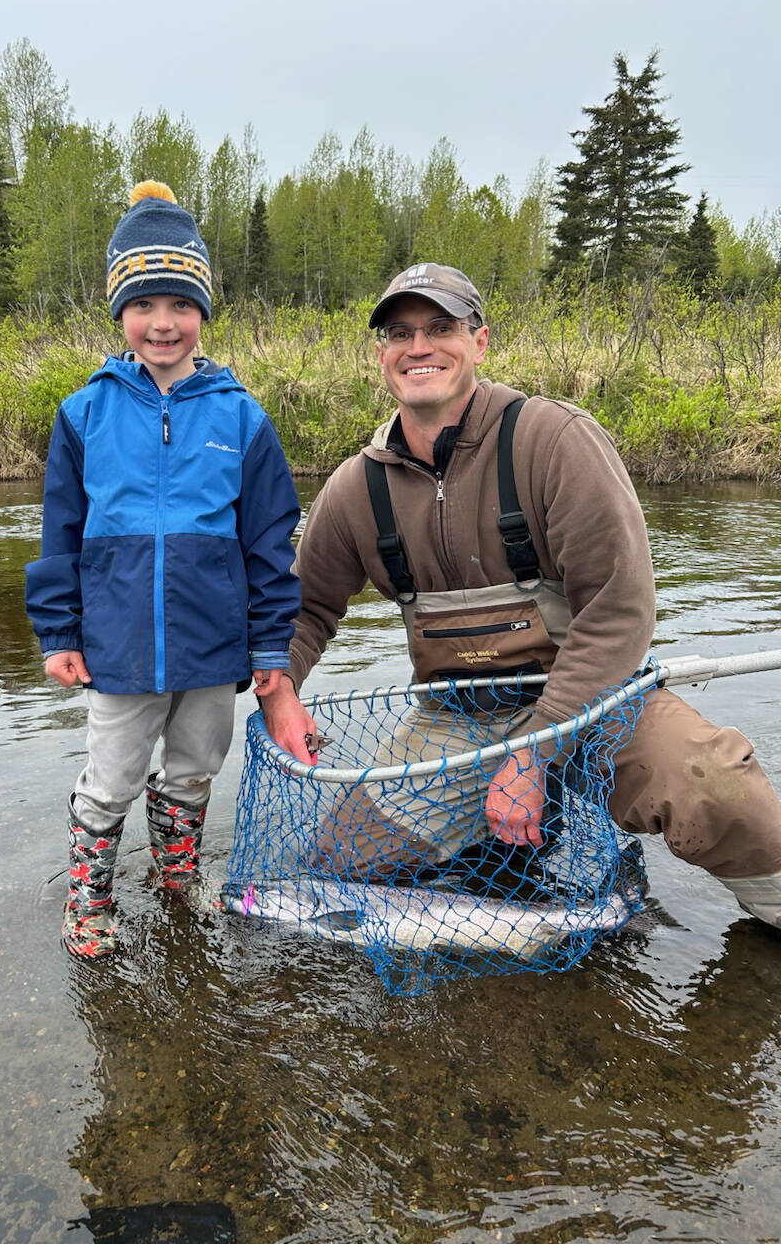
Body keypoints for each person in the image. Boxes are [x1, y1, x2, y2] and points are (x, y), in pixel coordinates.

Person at [262, 261, 781, 929]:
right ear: (381, 356)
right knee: (335, 873)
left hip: (599, 702)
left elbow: (618, 612)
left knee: (720, 793)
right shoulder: (354, 489)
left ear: (479, 342)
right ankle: (494, 851)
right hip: (459, 721)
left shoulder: (554, 440)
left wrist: (533, 750)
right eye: (400, 333)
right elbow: (304, 611)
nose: (419, 347)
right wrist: (280, 693)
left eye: (440, 327)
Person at [25, 181, 301, 959]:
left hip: (214, 647)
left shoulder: (243, 416)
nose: (163, 323)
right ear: (120, 314)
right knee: (110, 777)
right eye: (144, 304)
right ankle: (90, 897)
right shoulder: (84, 413)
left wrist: (270, 647)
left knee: (193, 770)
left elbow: (271, 544)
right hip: (116, 647)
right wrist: (58, 632)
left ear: (203, 313)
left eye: (180, 304)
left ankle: (176, 874)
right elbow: (61, 535)